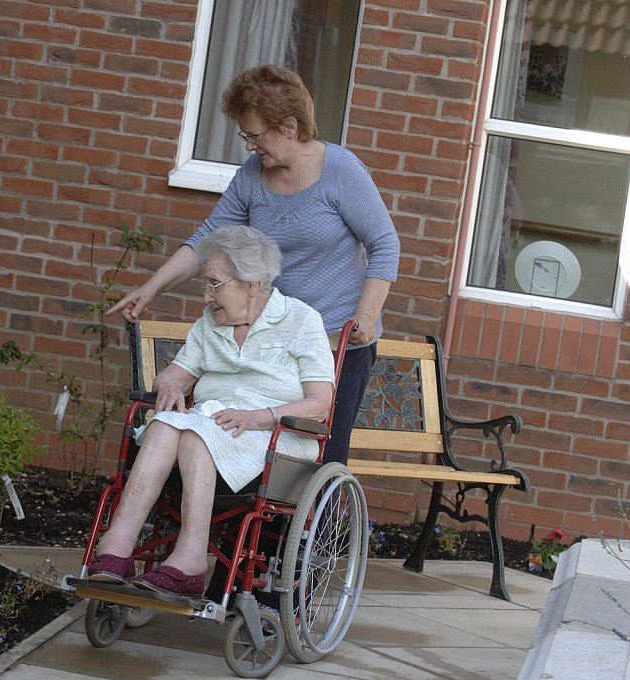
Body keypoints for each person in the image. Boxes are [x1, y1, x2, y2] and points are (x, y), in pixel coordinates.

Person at [109, 64, 399, 469]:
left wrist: (365, 317)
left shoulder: (341, 171)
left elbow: (384, 244)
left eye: (255, 135)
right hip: (274, 337)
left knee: (320, 457)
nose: (249, 147)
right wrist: (151, 288)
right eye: (244, 135)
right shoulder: (252, 176)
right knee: (260, 455)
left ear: (289, 127)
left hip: (336, 342)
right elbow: (209, 238)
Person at [88, 226, 336, 596]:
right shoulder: (210, 322)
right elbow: (176, 374)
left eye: (214, 284)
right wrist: (169, 384)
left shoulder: (301, 320)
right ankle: (117, 547)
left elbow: (319, 404)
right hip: (212, 427)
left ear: (252, 283)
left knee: (195, 432)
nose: (206, 296)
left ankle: (190, 558)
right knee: (163, 425)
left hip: (273, 438)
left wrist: (256, 416)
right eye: (204, 285)